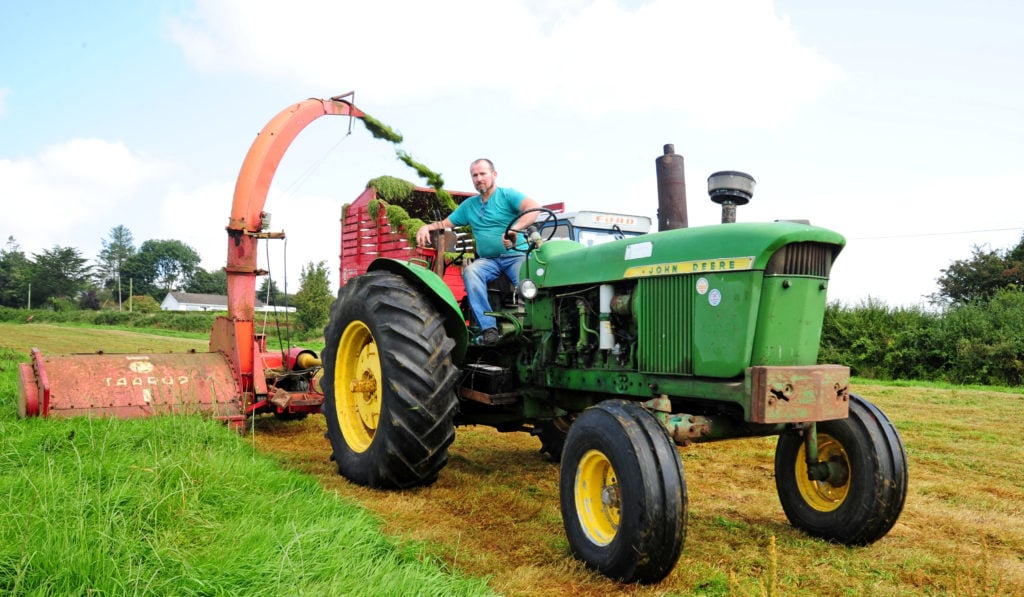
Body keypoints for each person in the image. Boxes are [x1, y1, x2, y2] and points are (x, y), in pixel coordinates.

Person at [416, 158, 541, 345]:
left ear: (494, 174)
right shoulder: (469, 206)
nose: (479, 178)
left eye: (483, 173)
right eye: (475, 175)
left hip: (516, 255)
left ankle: (534, 328)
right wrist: (426, 227)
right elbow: (445, 224)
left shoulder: (507, 195)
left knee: (529, 285)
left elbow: (533, 208)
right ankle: (488, 328)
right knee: (471, 271)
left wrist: (514, 229)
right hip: (489, 261)